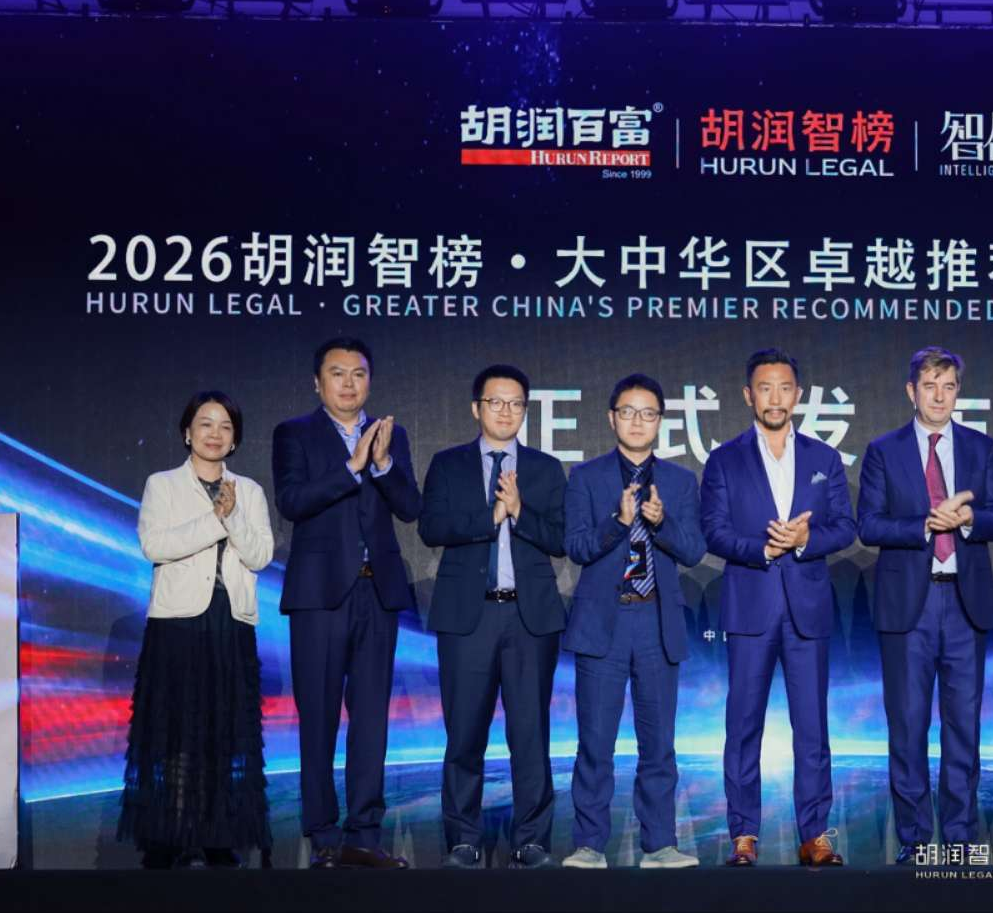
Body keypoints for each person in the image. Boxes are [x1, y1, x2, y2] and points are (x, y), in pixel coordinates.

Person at [857, 347, 993, 864]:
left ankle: (961, 836)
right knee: (907, 727)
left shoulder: (981, 448)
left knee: (963, 725)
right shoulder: (883, 451)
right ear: (911, 391)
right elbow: (869, 524)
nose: (940, 397)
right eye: (930, 386)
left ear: (958, 392)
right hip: (910, 605)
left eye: (948, 387)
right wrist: (925, 524)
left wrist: (966, 521)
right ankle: (915, 838)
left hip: (966, 603)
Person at [701, 348, 857, 867]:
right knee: (743, 725)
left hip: (807, 609)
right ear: (749, 395)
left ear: (798, 395)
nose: (775, 398)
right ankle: (744, 834)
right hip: (751, 606)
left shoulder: (823, 458)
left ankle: (814, 835)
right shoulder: (725, 459)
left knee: (812, 728)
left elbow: (845, 527)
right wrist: (764, 549)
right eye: (765, 388)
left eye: (784, 388)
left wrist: (806, 540)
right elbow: (714, 531)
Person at [273, 337, 421, 870]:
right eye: (337, 373)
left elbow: (410, 507)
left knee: (371, 719)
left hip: (377, 592)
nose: (349, 383)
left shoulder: (390, 435)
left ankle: (364, 833)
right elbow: (292, 501)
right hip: (319, 597)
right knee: (317, 717)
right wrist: (351, 466)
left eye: (358, 374)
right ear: (318, 382)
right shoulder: (294, 433)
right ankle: (323, 833)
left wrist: (381, 465)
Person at [419, 364, 567, 869]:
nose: (506, 411)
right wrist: (491, 517)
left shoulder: (545, 468)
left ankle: (532, 839)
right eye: (496, 402)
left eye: (515, 403)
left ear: (526, 410)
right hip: (469, 618)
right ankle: (464, 838)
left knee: (530, 735)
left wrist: (520, 511)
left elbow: (561, 539)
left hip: (529, 619)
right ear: (475, 408)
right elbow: (431, 527)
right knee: (464, 735)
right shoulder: (448, 464)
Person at [121, 391, 274, 869]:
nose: (214, 434)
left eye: (225, 426)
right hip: (178, 624)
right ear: (187, 433)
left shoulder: (248, 491)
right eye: (205, 424)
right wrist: (215, 519)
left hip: (230, 622)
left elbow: (260, 555)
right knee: (175, 731)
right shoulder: (163, 484)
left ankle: (216, 835)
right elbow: (155, 545)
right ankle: (169, 835)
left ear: (235, 439)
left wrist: (233, 517)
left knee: (224, 730)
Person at [561, 375, 706, 869]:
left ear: (660, 421)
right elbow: (576, 546)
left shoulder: (681, 482)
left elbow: (694, 550)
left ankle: (659, 844)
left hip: (656, 621)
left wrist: (661, 523)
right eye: (628, 412)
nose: (638, 421)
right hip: (604, 623)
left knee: (659, 745)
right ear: (611, 418)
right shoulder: (586, 477)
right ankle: (589, 845)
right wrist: (619, 523)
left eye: (648, 413)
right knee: (595, 742)